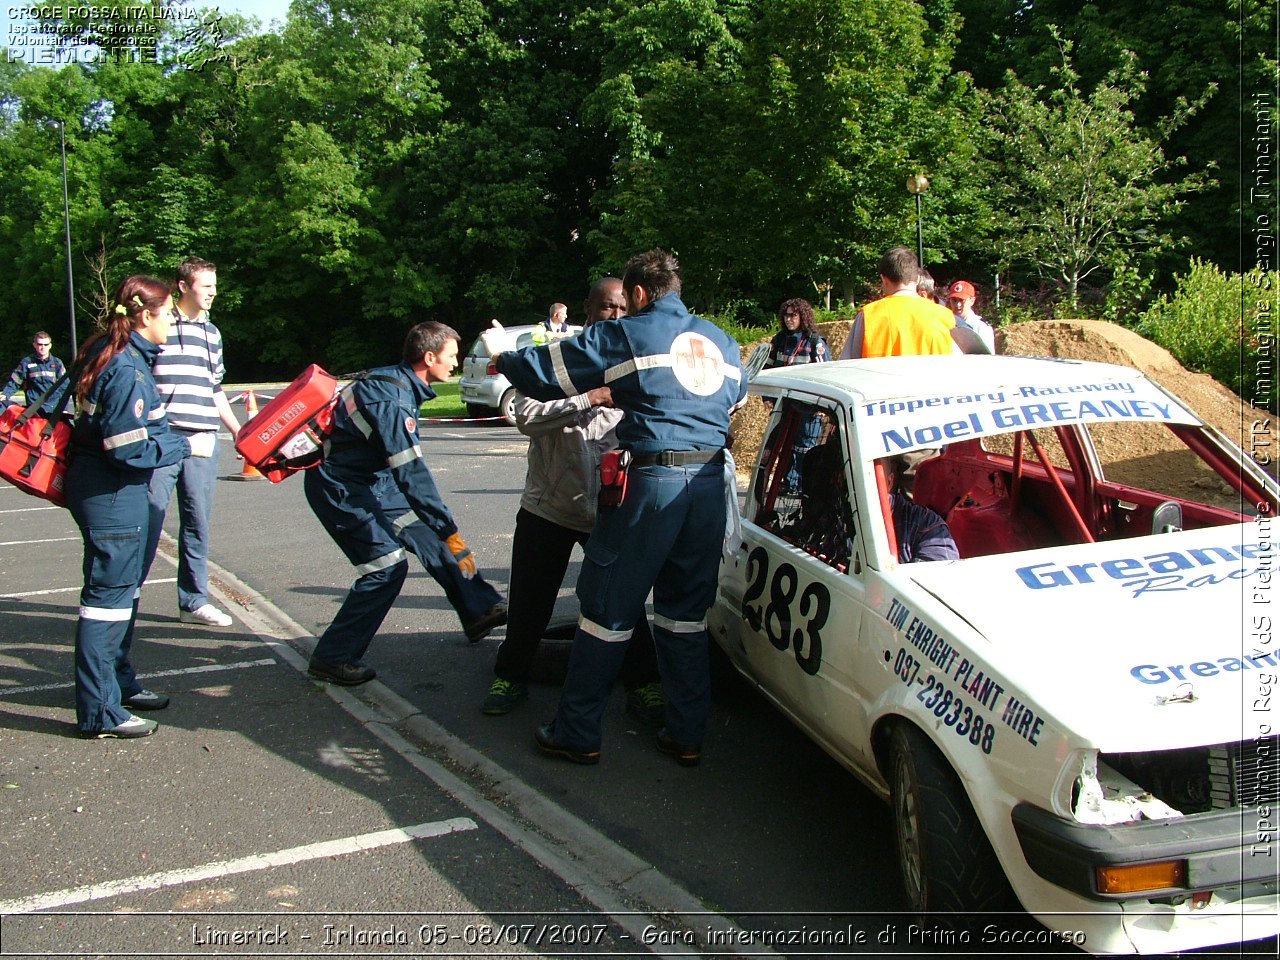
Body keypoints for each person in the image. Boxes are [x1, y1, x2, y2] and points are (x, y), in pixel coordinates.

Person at [486, 248, 746, 767]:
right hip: (711, 483)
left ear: (640, 294)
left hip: (652, 483)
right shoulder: (723, 342)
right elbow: (732, 408)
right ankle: (686, 733)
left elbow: (541, 373)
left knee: (606, 607)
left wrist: (503, 354)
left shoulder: (627, 334)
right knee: (683, 614)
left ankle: (577, 731)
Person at [482, 278, 664, 724]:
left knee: (622, 602)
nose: (615, 315)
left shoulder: (639, 364)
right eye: (606, 307)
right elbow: (525, 415)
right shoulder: (554, 359)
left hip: (609, 508)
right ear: (587, 309)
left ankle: (645, 684)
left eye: (623, 308)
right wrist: (589, 397)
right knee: (530, 602)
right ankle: (510, 676)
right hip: (549, 507)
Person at [304, 321, 506, 686]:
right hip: (342, 489)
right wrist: (449, 526)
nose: (456, 364)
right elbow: (412, 474)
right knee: (387, 569)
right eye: (451, 356)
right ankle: (332, 657)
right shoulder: (392, 401)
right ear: (429, 357)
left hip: (372, 481)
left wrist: (441, 530)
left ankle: (479, 610)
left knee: (434, 537)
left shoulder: (397, 382)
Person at [66, 276, 217, 738]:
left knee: (122, 594)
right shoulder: (128, 369)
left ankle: (117, 684)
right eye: (168, 312)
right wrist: (184, 447)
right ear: (146, 316)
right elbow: (126, 449)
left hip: (104, 491)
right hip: (113, 495)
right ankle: (100, 712)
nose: (174, 320)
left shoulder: (110, 353)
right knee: (107, 603)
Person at [144, 257, 240, 628]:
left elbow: (214, 389)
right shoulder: (161, 325)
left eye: (215, 285)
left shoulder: (212, 333)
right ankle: (126, 595)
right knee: (148, 518)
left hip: (203, 440)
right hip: (163, 439)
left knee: (197, 523)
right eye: (207, 286)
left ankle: (193, 601)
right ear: (183, 286)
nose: (214, 292)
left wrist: (236, 430)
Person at [838, 247, 958, 360]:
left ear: (884, 280)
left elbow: (847, 367)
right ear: (917, 279)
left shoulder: (869, 315)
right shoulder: (945, 317)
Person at [765, 298, 828, 493]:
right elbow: (767, 368)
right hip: (785, 405)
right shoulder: (779, 340)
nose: (789, 319)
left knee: (806, 447)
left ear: (803, 316)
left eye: (794, 315)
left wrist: (822, 405)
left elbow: (824, 374)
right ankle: (790, 483)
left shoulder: (815, 341)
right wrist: (767, 398)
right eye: (786, 315)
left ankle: (803, 486)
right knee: (784, 446)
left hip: (809, 405)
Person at [882, 456, 959, 563]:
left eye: (870, 482)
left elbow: (939, 574)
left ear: (889, 482)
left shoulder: (927, 525)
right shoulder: (851, 523)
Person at [2, 331, 66, 414]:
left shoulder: (57, 363)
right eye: (40, 344)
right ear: (34, 345)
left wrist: (64, 408)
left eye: (46, 344)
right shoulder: (26, 362)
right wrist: (5, 394)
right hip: (34, 409)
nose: (43, 347)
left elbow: (64, 387)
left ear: (50, 345)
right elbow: (15, 381)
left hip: (53, 409)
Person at [945, 280, 996, 355]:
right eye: (954, 300)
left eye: (961, 300)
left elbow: (988, 358)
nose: (957, 304)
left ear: (972, 300)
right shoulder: (947, 323)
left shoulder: (981, 327)